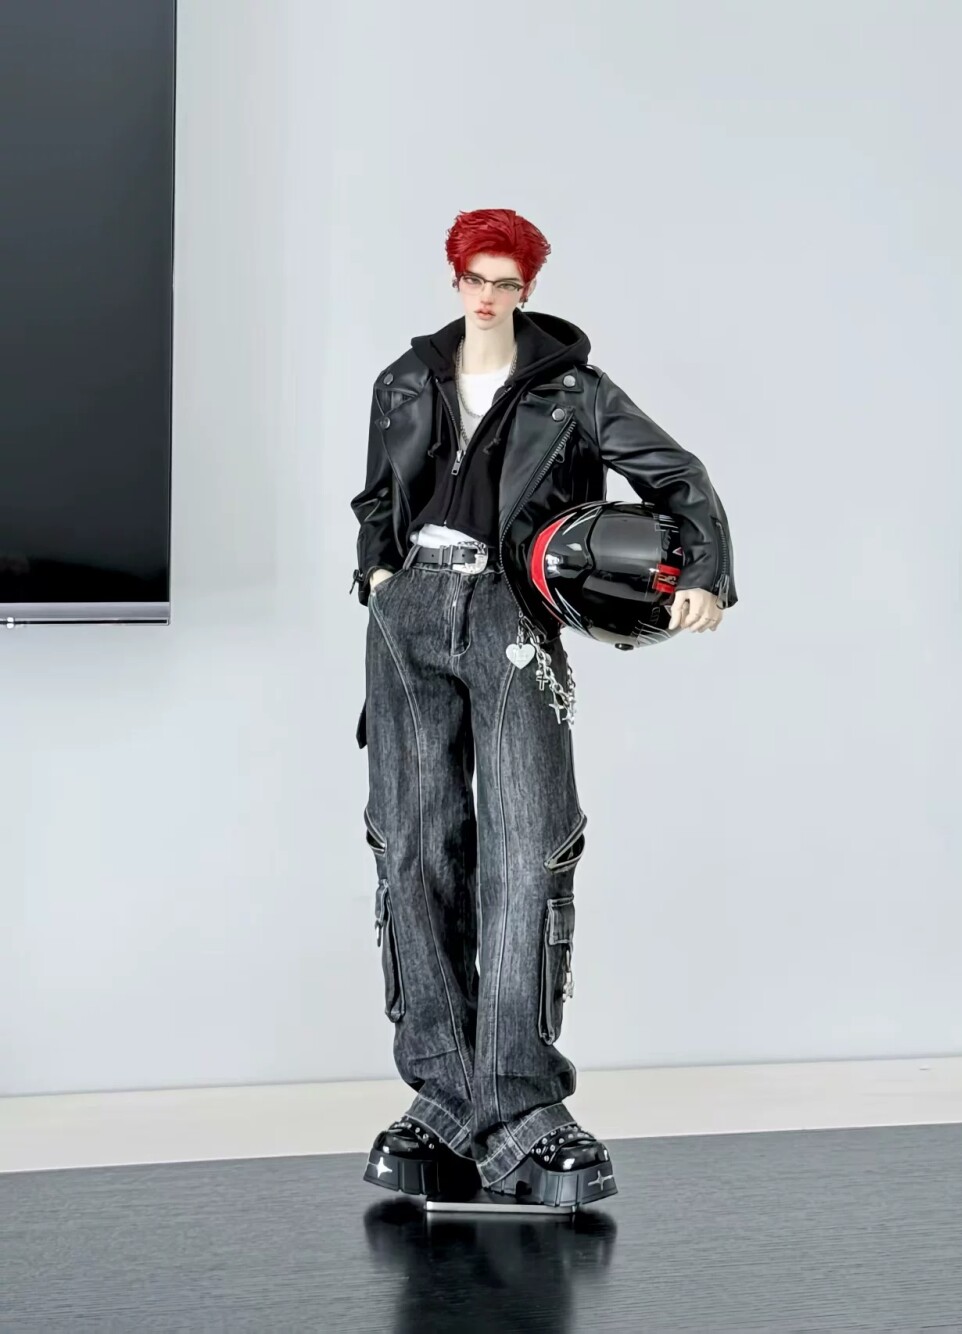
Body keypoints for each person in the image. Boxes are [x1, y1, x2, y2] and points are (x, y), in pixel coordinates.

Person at [350, 208, 737, 1207]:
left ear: (527, 287)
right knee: (411, 845)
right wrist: (379, 574)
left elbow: (677, 475)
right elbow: (377, 499)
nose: (487, 296)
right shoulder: (404, 381)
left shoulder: (574, 391)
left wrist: (703, 572)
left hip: (510, 613)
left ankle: (520, 1103)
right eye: (474, 278)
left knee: (527, 849)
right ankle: (442, 1097)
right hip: (407, 615)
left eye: (506, 281)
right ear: (453, 279)